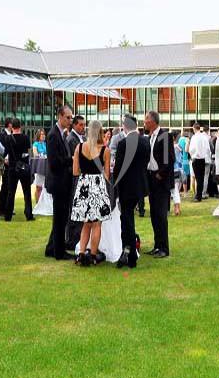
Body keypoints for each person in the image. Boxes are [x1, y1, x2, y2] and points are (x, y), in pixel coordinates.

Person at [70, 120, 112, 265]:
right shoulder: (105, 150)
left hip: (83, 186)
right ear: (100, 132)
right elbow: (107, 175)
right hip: (98, 187)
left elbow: (75, 171)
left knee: (86, 223)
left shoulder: (79, 147)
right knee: (97, 224)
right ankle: (93, 256)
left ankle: (81, 254)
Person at [114, 115, 150, 267]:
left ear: (125, 126)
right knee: (127, 219)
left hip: (127, 187)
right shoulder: (145, 142)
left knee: (127, 220)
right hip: (140, 186)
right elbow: (146, 162)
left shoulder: (123, 143)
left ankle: (129, 253)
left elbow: (119, 168)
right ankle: (128, 251)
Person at [44, 105, 74, 260]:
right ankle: (59, 252)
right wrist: (72, 160)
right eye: (68, 117)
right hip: (58, 183)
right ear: (60, 116)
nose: (70, 120)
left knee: (61, 217)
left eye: (71, 117)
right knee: (59, 218)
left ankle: (52, 247)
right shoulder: (53, 135)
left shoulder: (60, 134)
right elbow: (54, 162)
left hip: (62, 182)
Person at [143, 111, 174, 258]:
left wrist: (159, 175)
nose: (144, 121)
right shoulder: (149, 137)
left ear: (153, 121)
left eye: (147, 119)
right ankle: (157, 245)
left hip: (160, 180)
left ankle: (164, 248)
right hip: (151, 179)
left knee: (161, 215)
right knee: (154, 215)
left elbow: (169, 160)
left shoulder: (165, 136)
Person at [4, 118, 34, 222]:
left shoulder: (8, 139)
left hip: (12, 168)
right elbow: (27, 152)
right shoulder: (25, 138)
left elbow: (5, 153)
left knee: (11, 192)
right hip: (23, 167)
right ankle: (29, 214)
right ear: (20, 126)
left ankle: (8, 215)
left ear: (12, 127)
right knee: (27, 192)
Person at [189, 123, 211, 202]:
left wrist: (192, 156)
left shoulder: (194, 137)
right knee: (201, 178)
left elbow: (191, 149)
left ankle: (198, 196)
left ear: (194, 128)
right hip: (203, 159)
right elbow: (208, 149)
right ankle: (200, 195)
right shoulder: (204, 137)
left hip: (196, 159)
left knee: (197, 178)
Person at [0, 117, 13, 217]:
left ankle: (8, 207)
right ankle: (1, 209)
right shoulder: (2, 135)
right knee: (5, 186)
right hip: (5, 163)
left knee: (9, 186)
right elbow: (2, 149)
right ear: (9, 124)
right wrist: (5, 159)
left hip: (11, 162)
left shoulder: (11, 135)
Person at [32, 128, 47, 202]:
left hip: (46, 167)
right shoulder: (35, 144)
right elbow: (35, 155)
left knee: (46, 187)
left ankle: (44, 203)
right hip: (38, 167)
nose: (44, 136)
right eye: (42, 134)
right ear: (38, 135)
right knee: (38, 186)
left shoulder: (45, 144)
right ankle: (37, 203)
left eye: (44, 134)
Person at [172, 130, 183, 215]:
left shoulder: (171, 147)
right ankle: (177, 207)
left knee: (174, 190)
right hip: (179, 170)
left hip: (173, 171)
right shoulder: (178, 147)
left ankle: (176, 208)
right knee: (176, 190)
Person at [178, 129, 191, 195]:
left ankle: (179, 191)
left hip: (180, 160)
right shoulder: (187, 140)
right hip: (185, 160)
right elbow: (186, 150)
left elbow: (179, 148)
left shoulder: (180, 139)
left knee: (180, 176)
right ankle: (185, 191)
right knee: (185, 176)